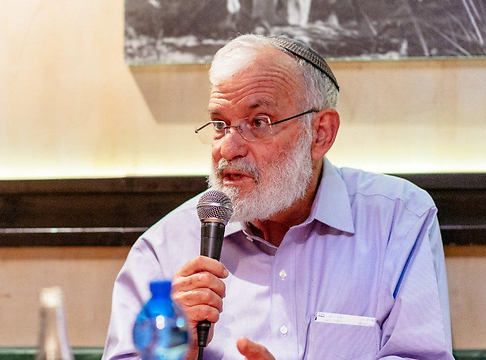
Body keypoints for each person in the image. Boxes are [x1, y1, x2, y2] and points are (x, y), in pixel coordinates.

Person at [102, 34, 454, 360]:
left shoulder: (398, 221)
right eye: (220, 124)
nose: (227, 147)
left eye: (259, 122)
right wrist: (178, 350)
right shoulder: (164, 248)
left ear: (321, 133)